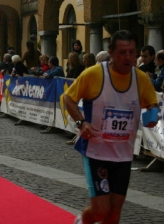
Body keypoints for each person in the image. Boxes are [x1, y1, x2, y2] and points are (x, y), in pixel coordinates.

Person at [63, 30, 158, 224]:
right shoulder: (94, 74)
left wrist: (152, 115)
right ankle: (81, 221)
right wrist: (82, 123)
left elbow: (152, 103)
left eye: (132, 52)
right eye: (123, 52)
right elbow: (68, 98)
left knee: (114, 215)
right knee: (100, 210)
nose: (128, 57)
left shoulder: (141, 79)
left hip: (123, 155)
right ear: (111, 52)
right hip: (96, 152)